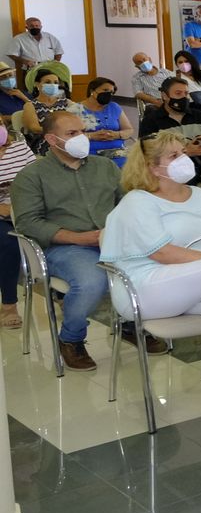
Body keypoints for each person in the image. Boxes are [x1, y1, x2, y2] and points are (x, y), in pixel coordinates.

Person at [100, 131, 201, 426]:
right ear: (153, 167)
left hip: (198, 282)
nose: (184, 160)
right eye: (174, 156)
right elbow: (163, 253)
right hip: (144, 286)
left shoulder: (200, 195)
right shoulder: (138, 201)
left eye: (183, 153)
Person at [12, 111, 168, 371]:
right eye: (72, 134)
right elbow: (28, 223)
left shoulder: (104, 166)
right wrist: (77, 237)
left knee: (151, 266)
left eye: (82, 131)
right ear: (52, 139)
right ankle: (71, 339)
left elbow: (127, 203)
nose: (81, 138)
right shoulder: (32, 176)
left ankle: (130, 324)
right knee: (91, 281)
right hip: (65, 246)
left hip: (112, 240)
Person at [139, 75, 201, 187]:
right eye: (178, 93)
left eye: (186, 94)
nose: (184, 97)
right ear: (164, 96)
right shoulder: (151, 120)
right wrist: (184, 152)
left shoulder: (200, 116)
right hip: (171, 176)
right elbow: (147, 151)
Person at [0, 122, 36, 328]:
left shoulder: (19, 148)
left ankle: (60, 293)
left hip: (25, 208)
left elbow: (37, 179)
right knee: (9, 242)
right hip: (2, 214)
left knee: (57, 230)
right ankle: (9, 304)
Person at [79, 76, 133, 166]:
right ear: (92, 91)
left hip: (117, 153)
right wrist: (91, 136)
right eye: (105, 90)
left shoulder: (114, 107)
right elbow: (69, 136)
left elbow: (129, 130)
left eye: (111, 92)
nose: (108, 94)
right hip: (90, 153)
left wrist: (117, 135)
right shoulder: (76, 109)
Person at [20, 63, 80, 141]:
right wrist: (59, 132)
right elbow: (34, 128)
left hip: (67, 140)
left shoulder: (67, 103)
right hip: (43, 142)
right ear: (37, 84)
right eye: (47, 82)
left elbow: (80, 120)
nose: (52, 85)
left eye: (55, 83)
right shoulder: (30, 105)